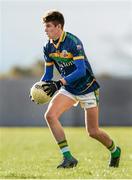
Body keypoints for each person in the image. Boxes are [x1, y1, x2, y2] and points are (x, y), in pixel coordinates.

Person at [40, 10, 121, 168]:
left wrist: (59, 83)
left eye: (48, 26)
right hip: (69, 88)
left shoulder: (73, 42)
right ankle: (68, 158)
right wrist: (39, 89)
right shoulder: (47, 47)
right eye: (45, 26)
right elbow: (48, 74)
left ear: (58, 26)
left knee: (93, 132)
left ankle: (115, 151)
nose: (45, 30)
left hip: (88, 87)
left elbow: (80, 71)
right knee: (50, 115)